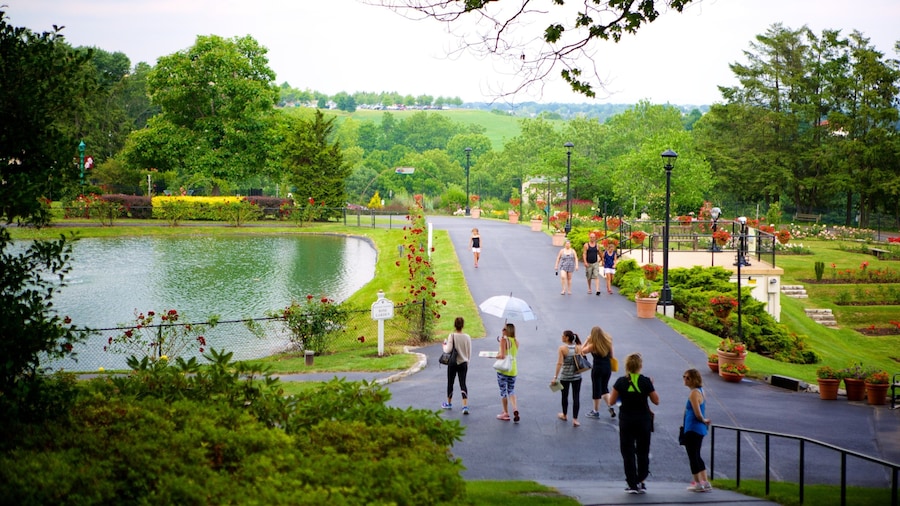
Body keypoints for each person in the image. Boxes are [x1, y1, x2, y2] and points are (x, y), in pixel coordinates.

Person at [608, 353, 660, 495]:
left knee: (628, 451)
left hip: (627, 420)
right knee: (643, 451)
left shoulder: (620, 382)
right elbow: (656, 401)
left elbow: (611, 402)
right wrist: (650, 386)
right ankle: (642, 480)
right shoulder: (645, 381)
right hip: (643, 421)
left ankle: (632, 483)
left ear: (627, 366)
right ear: (640, 366)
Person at [682, 369, 712, 492]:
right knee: (697, 455)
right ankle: (705, 481)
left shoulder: (694, 393)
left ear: (694, 379)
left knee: (692, 456)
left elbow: (697, 413)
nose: (684, 379)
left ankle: (698, 483)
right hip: (698, 429)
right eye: (683, 376)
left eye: (687, 377)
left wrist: (703, 420)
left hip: (692, 428)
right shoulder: (700, 391)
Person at [580, 326, 616, 419]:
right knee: (604, 388)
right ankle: (610, 406)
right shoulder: (608, 342)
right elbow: (612, 355)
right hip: (607, 367)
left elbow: (581, 351)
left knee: (597, 389)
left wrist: (587, 340)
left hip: (597, 368)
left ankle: (595, 411)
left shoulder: (593, 345)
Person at [551, 330, 584, 427]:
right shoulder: (578, 347)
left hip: (565, 376)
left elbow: (559, 363)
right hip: (577, 376)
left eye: (563, 336)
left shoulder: (562, 349)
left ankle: (564, 415)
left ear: (567, 338)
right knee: (576, 396)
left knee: (564, 396)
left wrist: (555, 377)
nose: (561, 337)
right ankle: (575, 419)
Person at [441, 317, 473, 414]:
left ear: (454, 325)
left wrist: (444, 345)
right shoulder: (467, 337)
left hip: (453, 363)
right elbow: (469, 351)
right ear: (463, 325)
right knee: (463, 383)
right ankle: (465, 406)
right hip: (463, 362)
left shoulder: (452, 336)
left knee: (450, 382)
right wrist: (467, 361)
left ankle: (449, 403)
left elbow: (448, 350)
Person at [495, 323, 520, 423]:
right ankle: (515, 408)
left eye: (504, 329)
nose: (502, 330)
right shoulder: (516, 341)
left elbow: (502, 356)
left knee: (503, 391)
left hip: (503, 369)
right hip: (513, 368)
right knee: (511, 390)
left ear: (507, 331)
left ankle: (505, 412)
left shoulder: (504, 340)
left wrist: (494, 356)